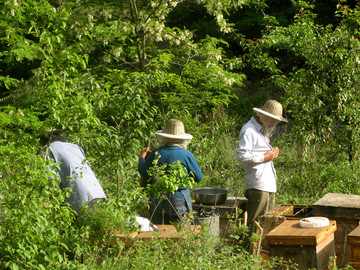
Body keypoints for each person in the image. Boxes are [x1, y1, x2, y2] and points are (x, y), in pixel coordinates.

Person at [236, 100, 288, 231]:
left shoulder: (261, 130)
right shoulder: (249, 130)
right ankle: (249, 251)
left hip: (267, 184)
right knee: (255, 224)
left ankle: (259, 251)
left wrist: (273, 152)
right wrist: (265, 157)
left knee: (266, 223)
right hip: (258, 185)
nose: (275, 123)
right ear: (265, 116)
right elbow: (242, 155)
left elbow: (259, 151)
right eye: (273, 120)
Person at [138, 119, 202, 225]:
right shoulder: (186, 154)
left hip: (157, 198)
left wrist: (142, 158)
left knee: (158, 232)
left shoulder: (156, 153)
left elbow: (143, 172)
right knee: (181, 233)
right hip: (179, 198)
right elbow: (198, 177)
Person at [41, 130, 106, 214]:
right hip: (97, 192)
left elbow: (51, 179)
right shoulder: (75, 147)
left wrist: (57, 202)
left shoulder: (46, 150)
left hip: (78, 198)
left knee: (83, 225)